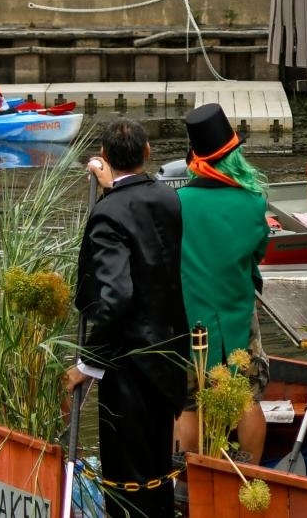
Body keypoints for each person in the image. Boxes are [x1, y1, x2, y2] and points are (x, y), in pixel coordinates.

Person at [69, 118, 188, 518]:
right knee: (158, 471)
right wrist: (111, 189)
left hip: (129, 366)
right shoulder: (169, 199)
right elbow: (140, 225)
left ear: (104, 156)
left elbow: (115, 297)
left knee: (128, 480)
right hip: (169, 354)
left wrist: (88, 364)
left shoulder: (108, 215)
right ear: (148, 151)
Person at [173, 104, 270, 461]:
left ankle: (192, 480)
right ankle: (252, 474)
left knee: (189, 402)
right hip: (238, 312)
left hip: (189, 316)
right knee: (247, 397)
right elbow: (257, 254)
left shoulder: (177, 202)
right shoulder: (254, 201)